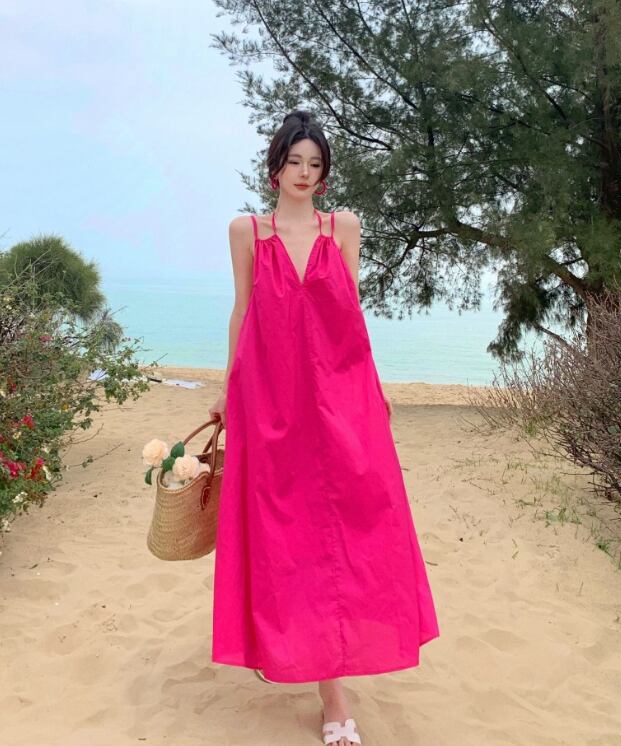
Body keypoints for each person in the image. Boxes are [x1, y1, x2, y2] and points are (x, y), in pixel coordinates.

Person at [208, 110, 440, 746]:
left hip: (340, 393)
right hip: (270, 396)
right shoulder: (247, 230)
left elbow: (351, 315)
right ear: (275, 167)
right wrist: (227, 389)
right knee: (285, 531)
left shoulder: (344, 227)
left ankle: (333, 688)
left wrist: (375, 387)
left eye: (314, 164)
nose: (304, 173)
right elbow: (242, 310)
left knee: (355, 524)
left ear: (325, 172)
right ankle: (306, 666)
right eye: (294, 161)